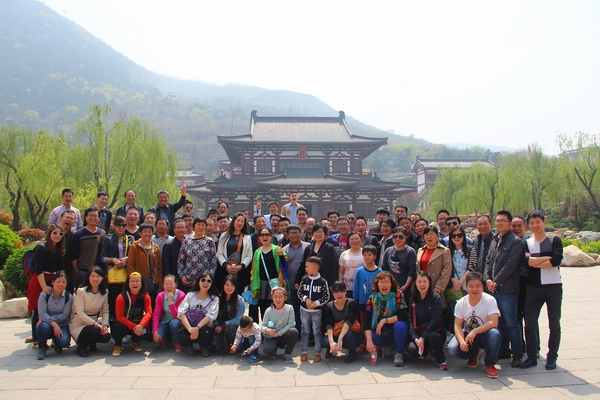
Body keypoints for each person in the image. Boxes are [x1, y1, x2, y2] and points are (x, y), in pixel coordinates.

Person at [520, 210, 564, 370]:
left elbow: (556, 260)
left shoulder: (554, 240)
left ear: (544, 222)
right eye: (531, 223)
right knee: (530, 323)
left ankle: (552, 357)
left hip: (553, 286)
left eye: (537, 222)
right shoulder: (527, 242)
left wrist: (535, 260)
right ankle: (532, 355)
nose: (535, 225)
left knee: (554, 323)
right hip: (533, 287)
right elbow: (526, 262)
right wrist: (547, 258)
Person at [483, 210, 524, 367]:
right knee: (498, 322)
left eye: (503, 221)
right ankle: (504, 349)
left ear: (509, 223)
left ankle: (517, 353)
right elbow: (488, 261)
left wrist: (496, 281)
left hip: (507, 289)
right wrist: (487, 279)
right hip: (493, 289)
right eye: (497, 220)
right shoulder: (495, 239)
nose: (499, 223)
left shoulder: (515, 241)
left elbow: (511, 265)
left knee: (511, 322)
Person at [447, 272, 501, 379]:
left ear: (483, 287)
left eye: (478, 286)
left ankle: (490, 364)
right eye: (471, 286)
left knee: (495, 334)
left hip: (485, 334)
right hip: (468, 336)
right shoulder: (461, 302)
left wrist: (475, 331)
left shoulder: (490, 300)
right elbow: (457, 325)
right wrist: (462, 341)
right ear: (466, 287)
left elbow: (494, 322)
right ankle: (473, 354)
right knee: (452, 348)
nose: (474, 289)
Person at [26, 224, 65, 348]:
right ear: (49, 234)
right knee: (38, 310)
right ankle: (37, 340)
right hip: (40, 281)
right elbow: (39, 269)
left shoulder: (59, 249)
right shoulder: (41, 248)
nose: (57, 235)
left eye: (60, 233)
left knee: (53, 309)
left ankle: (54, 337)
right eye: (55, 233)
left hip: (53, 280)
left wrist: (61, 282)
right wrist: (43, 286)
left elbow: (61, 268)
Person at [364, 271, 409, 367]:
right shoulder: (372, 298)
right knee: (371, 336)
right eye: (381, 282)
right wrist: (369, 341)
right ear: (377, 283)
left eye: (387, 282)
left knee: (400, 326)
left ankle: (399, 353)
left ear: (391, 283)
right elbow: (367, 321)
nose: (384, 285)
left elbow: (403, 315)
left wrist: (384, 321)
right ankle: (387, 346)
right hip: (382, 331)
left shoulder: (398, 294)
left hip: (395, 328)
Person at [407, 271, 448, 370]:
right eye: (419, 281)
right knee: (411, 349)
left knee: (433, 336)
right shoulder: (413, 299)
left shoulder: (436, 298)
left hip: (434, 332)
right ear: (415, 283)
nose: (422, 284)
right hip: (419, 332)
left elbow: (435, 320)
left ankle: (441, 360)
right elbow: (411, 321)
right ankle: (423, 353)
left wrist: (423, 337)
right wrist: (416, 338)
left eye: (424, 281)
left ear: (429, 282)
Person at [69, 266, 111, 357]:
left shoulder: (104, 292)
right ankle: (82, 347)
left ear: (102, 278)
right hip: (79, 324)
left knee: (106, 336)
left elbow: (105, 311)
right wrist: (96, 324)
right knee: (95, 329)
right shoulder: (81, 291)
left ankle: (92, 342)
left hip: (94, 324)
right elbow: (80, 313)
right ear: (88, 277)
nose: (95, 279)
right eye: (93, 276)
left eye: (98, 276)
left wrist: (105, 325)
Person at [100, 215, 134, 320]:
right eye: (119, 225)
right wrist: (113, 260)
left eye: (124, 225)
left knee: (126, 299)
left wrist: (126, 259)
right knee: (113, 300)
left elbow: (134, 254)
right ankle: (112, 321)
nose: (121, 227)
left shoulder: (130, 238)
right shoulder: (108, 238)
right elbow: (102, 257)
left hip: (126, 272)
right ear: (114, 226)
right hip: (112, 272)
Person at [177, 272, 220, 356]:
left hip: (204, 326)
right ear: (198, 282)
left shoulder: (214, 299)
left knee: (206, 333)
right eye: (203, 280)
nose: (205, 283)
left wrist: (197, 328)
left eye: (209, 281)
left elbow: (210, 316)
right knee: (183, 336)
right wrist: (190, 329)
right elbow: (181, 312)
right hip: (189, 325)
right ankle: (189, 346)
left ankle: (203, 347)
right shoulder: (190, 295)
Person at [111, 272, 152, 356]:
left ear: (141, 283)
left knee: (147, 331)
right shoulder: (121, 297)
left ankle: (135, 341)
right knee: (118, 327)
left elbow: (149, 312)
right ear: (128, 283)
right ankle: (118, 345)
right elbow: (119, 317)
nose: (135, 283)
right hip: (124, 323)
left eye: (137, 281)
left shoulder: (145, 296)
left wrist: (141, 325)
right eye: (132, 281)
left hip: (137, 322)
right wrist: (135, 327)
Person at [297, 256, 330, 362]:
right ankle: (304, 352)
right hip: (304, 310)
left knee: (317, 332)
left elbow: (326, 296)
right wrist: (306, 299)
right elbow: (300, 292)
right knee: (305, 331)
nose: (305, 269)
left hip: (316, 311)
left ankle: (317, 353)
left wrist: (316, 303)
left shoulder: (323, 281)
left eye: (307, 266)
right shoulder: (304, 280)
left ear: (315, 267)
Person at [251, 227, 288, 319]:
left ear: (271, 236)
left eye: (267, 234)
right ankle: (265, 325)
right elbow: (254, 270)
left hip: (275, 283)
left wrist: (281, 256)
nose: (265, 237)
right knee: (263, 307)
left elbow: (285, 266)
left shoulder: (277, 249)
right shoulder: (257, 252)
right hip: (261, 283)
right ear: (259, 237)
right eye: (262, 235)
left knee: (276, 306)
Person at [446, 226, 477, 332]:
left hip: (467, 286)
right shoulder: (447, 251)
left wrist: (460, 282)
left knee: (469, 313)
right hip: (452, 287)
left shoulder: (471, 249)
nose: (457, 238)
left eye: (459, 235)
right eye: (454, 236)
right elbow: (445, 268)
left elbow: (472, 268)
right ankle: (456, 334)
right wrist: (453, 280)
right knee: (454, 313)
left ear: (464, 236)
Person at [35, 272, 72, 360]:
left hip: (62, 324)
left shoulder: (68, 297)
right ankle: (42, 347)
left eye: (63, 282)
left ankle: (57, 342)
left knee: (64, 341)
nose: (61, 284)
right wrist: (54, 324)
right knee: (43, 327)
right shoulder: (44, 294)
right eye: (58, 281)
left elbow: (64, 315)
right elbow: (42, 313)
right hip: (46, 323)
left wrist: (52, 321)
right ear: (53, 282)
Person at [322, 281, 361, 363]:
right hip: (336, 331)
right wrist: (331, 342)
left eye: (342, 290)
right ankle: (331, 348)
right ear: (332, 293)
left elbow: (349, 321)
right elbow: (329, 324)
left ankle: (352, 353)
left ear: (346, 292)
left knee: (348, 336)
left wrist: (340, 338)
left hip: (350, 332)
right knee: (325, 341)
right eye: (336, 291)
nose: (339, 294)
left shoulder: (352, 303)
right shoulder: (329, 306)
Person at [416, 226, 452, 307]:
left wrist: (440, 286)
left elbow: (447, 269)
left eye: (432, 234)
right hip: (422, 287)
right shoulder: (420, 250)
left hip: (436, 287)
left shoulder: (445, 251)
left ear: (437, 236)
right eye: (427, 234)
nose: (429, 236)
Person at [177, 217, 217, 292]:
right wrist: (182, 276)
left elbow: (213, 261)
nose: (200, 227)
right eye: (198, 224)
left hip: (204, 281)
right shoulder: (187, 241)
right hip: (188, 280)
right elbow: (181, 260)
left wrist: (209, 277)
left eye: (203, 225)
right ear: (194, 226)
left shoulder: (210, 242)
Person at [216, 213, 253, 293]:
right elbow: (219, 253)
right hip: (225, 270)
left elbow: (249, 255)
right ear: (233, 221)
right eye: (238, 220)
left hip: (240, 272)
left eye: (242, 221)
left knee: (238, 294)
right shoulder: (224, 235)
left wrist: (241, 266)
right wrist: (226, 265)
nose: (240, 223)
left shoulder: (247, 237)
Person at [295, 223, 339, 288]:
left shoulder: (330, 248)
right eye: (316, 232)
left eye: (321, 232)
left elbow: (334, 266)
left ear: (325, 234)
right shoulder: (308, 248)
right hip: (310, 282)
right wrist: (297, 280)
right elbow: (303, 264)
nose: (318, 234)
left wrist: (332, 283)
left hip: (325, 282)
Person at [283, 224, 310, 331]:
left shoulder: (308, 247)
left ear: (301, 233)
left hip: (307, 285)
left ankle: (308, 333)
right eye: (291, 233)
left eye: (296, 232)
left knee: (307, 310)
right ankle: (297, 332)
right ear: (287, 235)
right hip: (291, 284)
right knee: (294, 309)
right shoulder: (284, 250)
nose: (294, 235)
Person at [71, 206, 106, 288]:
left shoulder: (102, 233)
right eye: (90, 215)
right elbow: (74, 256)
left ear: (98, 218)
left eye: (95, 216)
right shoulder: (78, 234)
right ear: (86, 217)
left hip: (98, 272)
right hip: (83, 271)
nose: (93, 218)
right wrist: (77, 270)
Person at [261, 286, 298, 363]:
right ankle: (273, 350)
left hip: (284, 335)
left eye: (280, 297)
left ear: (285, 298)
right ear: (272, 298)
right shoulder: (269, 310)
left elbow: (291, 324)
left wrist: (279, 333)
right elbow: (263, 325)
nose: (278, 299)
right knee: (267, 350)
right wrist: (267, 330)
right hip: (272, 336)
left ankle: (287, 353)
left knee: (294, 332)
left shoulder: (289, 308)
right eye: (275, 297)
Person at [127, 223, 163, 301]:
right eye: (145, 232)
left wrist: (160, 284)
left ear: (153, 233)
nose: (147, 234)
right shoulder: (134, 246)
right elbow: (130, 265)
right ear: (140, 233)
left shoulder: (156, 247)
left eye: (149, 231)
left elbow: (159, 267)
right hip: (139, 282)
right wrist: (133, 281)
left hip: (153, 282)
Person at [212, 275, 245, 354]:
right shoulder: (217, 299)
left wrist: (223, 325)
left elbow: (238, 320)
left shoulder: (240, 300)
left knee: (229, 329)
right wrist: (216, 326)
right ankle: (225, 344)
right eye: (227, 285)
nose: (229, 288)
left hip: (232, 327)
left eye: (232, 285)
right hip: (219, 327)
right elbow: (214, 315)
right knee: (215, 345)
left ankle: (235, 344)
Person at [381, 227, 416, 299]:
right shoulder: (388, 251)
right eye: (395, 237)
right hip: (389, 287)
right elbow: (384, 269)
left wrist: (406, 286)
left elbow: (411, 271)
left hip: (405, 288)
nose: (397, 239)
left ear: (405, 238)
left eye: (401, 237)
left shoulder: (410, 251)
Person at [153, 275, 185, 352]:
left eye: (171, 284)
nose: (168, 286)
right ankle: (164, 338)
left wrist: (171, 303)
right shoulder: (160, 296)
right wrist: (155, 331)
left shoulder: (181, 295)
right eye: (166, 284)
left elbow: (177, 316)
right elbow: (156, 314)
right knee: (157, 336)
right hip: (165, 320)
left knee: (174, 324)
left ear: (176, 284)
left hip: (176, 320)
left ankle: (177, 341)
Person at [162, 219, 188, 289]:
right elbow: (166, 265)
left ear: (186, 229)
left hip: (188, 279)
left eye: (182, 227)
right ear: (174, 230)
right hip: (174, 280)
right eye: (178, 228)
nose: (180, 230)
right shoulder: (168, 245)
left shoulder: (190, 244)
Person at [338, 231, 364, 299]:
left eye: (357, 238)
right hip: (347, 287)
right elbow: (341, 272)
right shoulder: (344, 254)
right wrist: (341, 285)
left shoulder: (365, 253)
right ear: (348, 241)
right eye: (352, 239)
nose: (354, 241)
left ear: (361, 240)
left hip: (363, 286)